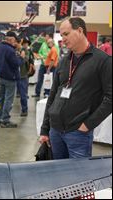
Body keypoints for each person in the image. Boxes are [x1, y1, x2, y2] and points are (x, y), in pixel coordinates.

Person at [39, 17, 112, 159]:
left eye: (66, 34)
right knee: (59, 174)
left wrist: (87, 125)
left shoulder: (102, 61)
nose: (63, 39)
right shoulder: (65, 61)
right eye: (61, 35)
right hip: (55, 130)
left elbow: (110, 98)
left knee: (79, 177)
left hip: (78, 132)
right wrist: (45, 129)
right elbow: (53, 96)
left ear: (79, 31)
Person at [0, 31, 24, 128]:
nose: (15, 43)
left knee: (0, 98)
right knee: (8, 100)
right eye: (15, 40)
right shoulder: (10, 50)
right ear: (11, 40)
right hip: (10, 77)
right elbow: (15, 63)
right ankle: (5, 120)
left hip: (1, 76)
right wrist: (21, 58)